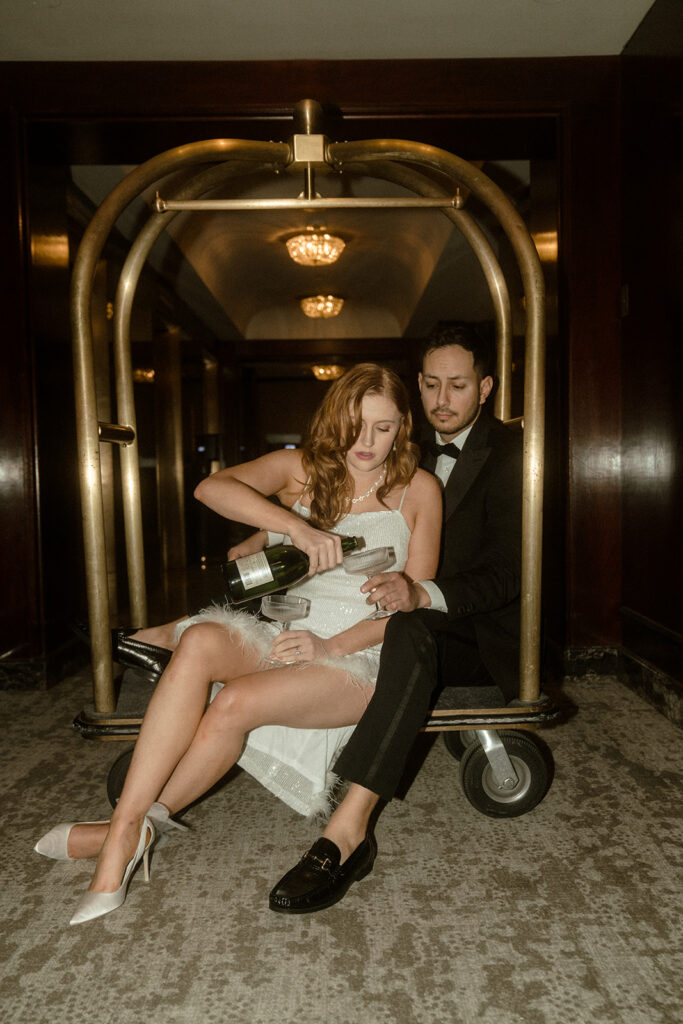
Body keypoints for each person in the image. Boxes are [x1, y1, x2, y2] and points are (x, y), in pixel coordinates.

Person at [34, 363, 442, 925]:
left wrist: (329, 647)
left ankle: (121, 837)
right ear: (334, 419)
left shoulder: (420, 489)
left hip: (359, 650)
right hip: (287, 626)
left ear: (403, 427)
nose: (365, 442)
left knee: (232, 702)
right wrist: (296, 527)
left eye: (383, 427)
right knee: (200, 638)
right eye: (355, 424)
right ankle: (125, 831)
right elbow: (211, 487)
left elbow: (413, 604)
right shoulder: (303, 470)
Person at [268, 322, 524, 914]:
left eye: (457, 386)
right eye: (432, 384)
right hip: (379, 606)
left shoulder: (514, 456)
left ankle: (347, 830)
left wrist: (421, 593)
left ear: (484, 388)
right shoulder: (392, 442)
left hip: (469, 626)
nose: (442, 400)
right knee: (272, 579)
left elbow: (510, 575)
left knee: (407, 628)